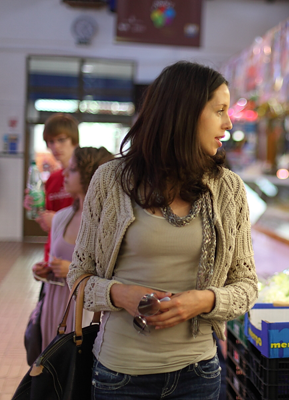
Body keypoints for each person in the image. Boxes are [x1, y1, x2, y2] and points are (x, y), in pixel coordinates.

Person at [67, 61, 258, 400]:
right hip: (118, 376)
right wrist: (120, 295)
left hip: (198, 374)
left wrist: (203, 301)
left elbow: (246, 286)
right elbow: (79, 276)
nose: (229, 123)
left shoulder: (228, 189)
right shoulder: (110, 180)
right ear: (184, 113)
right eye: (219, 110)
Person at [32, 147, 114, 350]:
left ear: (92, 175)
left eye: (73, 170)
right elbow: (54, 257)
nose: (65, 174)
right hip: (55, 303)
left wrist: (70, 268)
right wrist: (46, 270)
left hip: (86, 311)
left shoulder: (109, 223)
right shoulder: (61, 217)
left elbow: (114, 273)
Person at [24, 113, 80, 261]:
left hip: (77, 259)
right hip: (53, 255)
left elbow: (97, 222)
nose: (55, 146)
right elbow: (47, 225)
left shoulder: (89, 176)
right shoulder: (53, 179)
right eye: (50, 141)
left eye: (61, 140)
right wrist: (35, 209)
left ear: (74, 141)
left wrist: (57, 220)